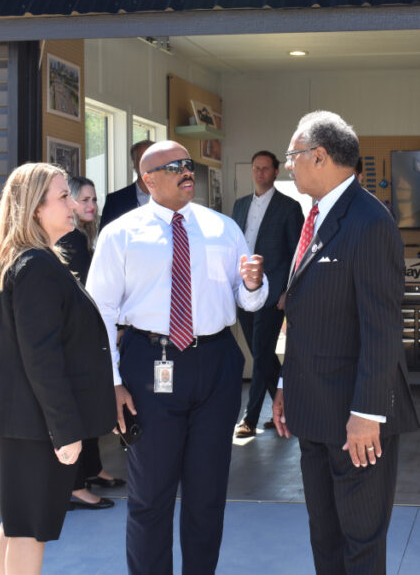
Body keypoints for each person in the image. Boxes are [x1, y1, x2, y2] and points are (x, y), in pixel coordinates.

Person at [86, 141, 268, 575]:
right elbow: (100, 314)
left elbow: (249, 301)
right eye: (174, 167)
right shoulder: (121, 233)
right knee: (151, 495)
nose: (188, 172)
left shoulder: (223, 228)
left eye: (189, 164)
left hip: (216, 366)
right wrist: (110, 383)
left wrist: (255, 284)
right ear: (148, 179)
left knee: (207, 495)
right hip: (148, 368)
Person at [272, 111, 420, 575]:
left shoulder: (369, 221)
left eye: (292, 156)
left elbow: (382, 327)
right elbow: (304, 314)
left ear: (319, 156)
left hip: (356, 417)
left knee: (360, 539)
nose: (287, 167)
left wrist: (368, 414)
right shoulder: (315, 216)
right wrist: (283, 387)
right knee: (325, 534)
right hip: (313, 408)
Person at [0, 162, 116, 575]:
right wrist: (65, 431)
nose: (73, 204)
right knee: (29, 532)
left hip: (17, 424)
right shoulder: (35, 265)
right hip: (34, 428)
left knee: (17, 526)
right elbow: (42, 358)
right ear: (35, 207)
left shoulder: (22, 259)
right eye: (62, 197)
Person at [57, 175, 124, 510]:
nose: (91, 206)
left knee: (94, 406)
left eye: (93, 200)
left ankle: (93, 468)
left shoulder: (84, 236)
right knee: (83, 410)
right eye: (84, 200)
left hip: (88, 338)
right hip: (77, 342)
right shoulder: (69, 240)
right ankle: (77, 485)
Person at [230, 150, 303, 438]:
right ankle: (284, 411)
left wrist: (288, 291)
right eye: (255, 168)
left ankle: (250, 418)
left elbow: (298, 254)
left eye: (265, 169)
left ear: (275, 172)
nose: (259, 173)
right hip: (242, 291)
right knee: (262, 354)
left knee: (260, 354)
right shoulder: (240, 205)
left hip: (272, 295)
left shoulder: (289, 207)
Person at [99, 139, 154, 230]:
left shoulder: (171, 198)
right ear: (134, 164)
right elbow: (105, 237)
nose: (148, 163)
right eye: (143, 159)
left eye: (152, 159)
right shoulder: (115, 201)